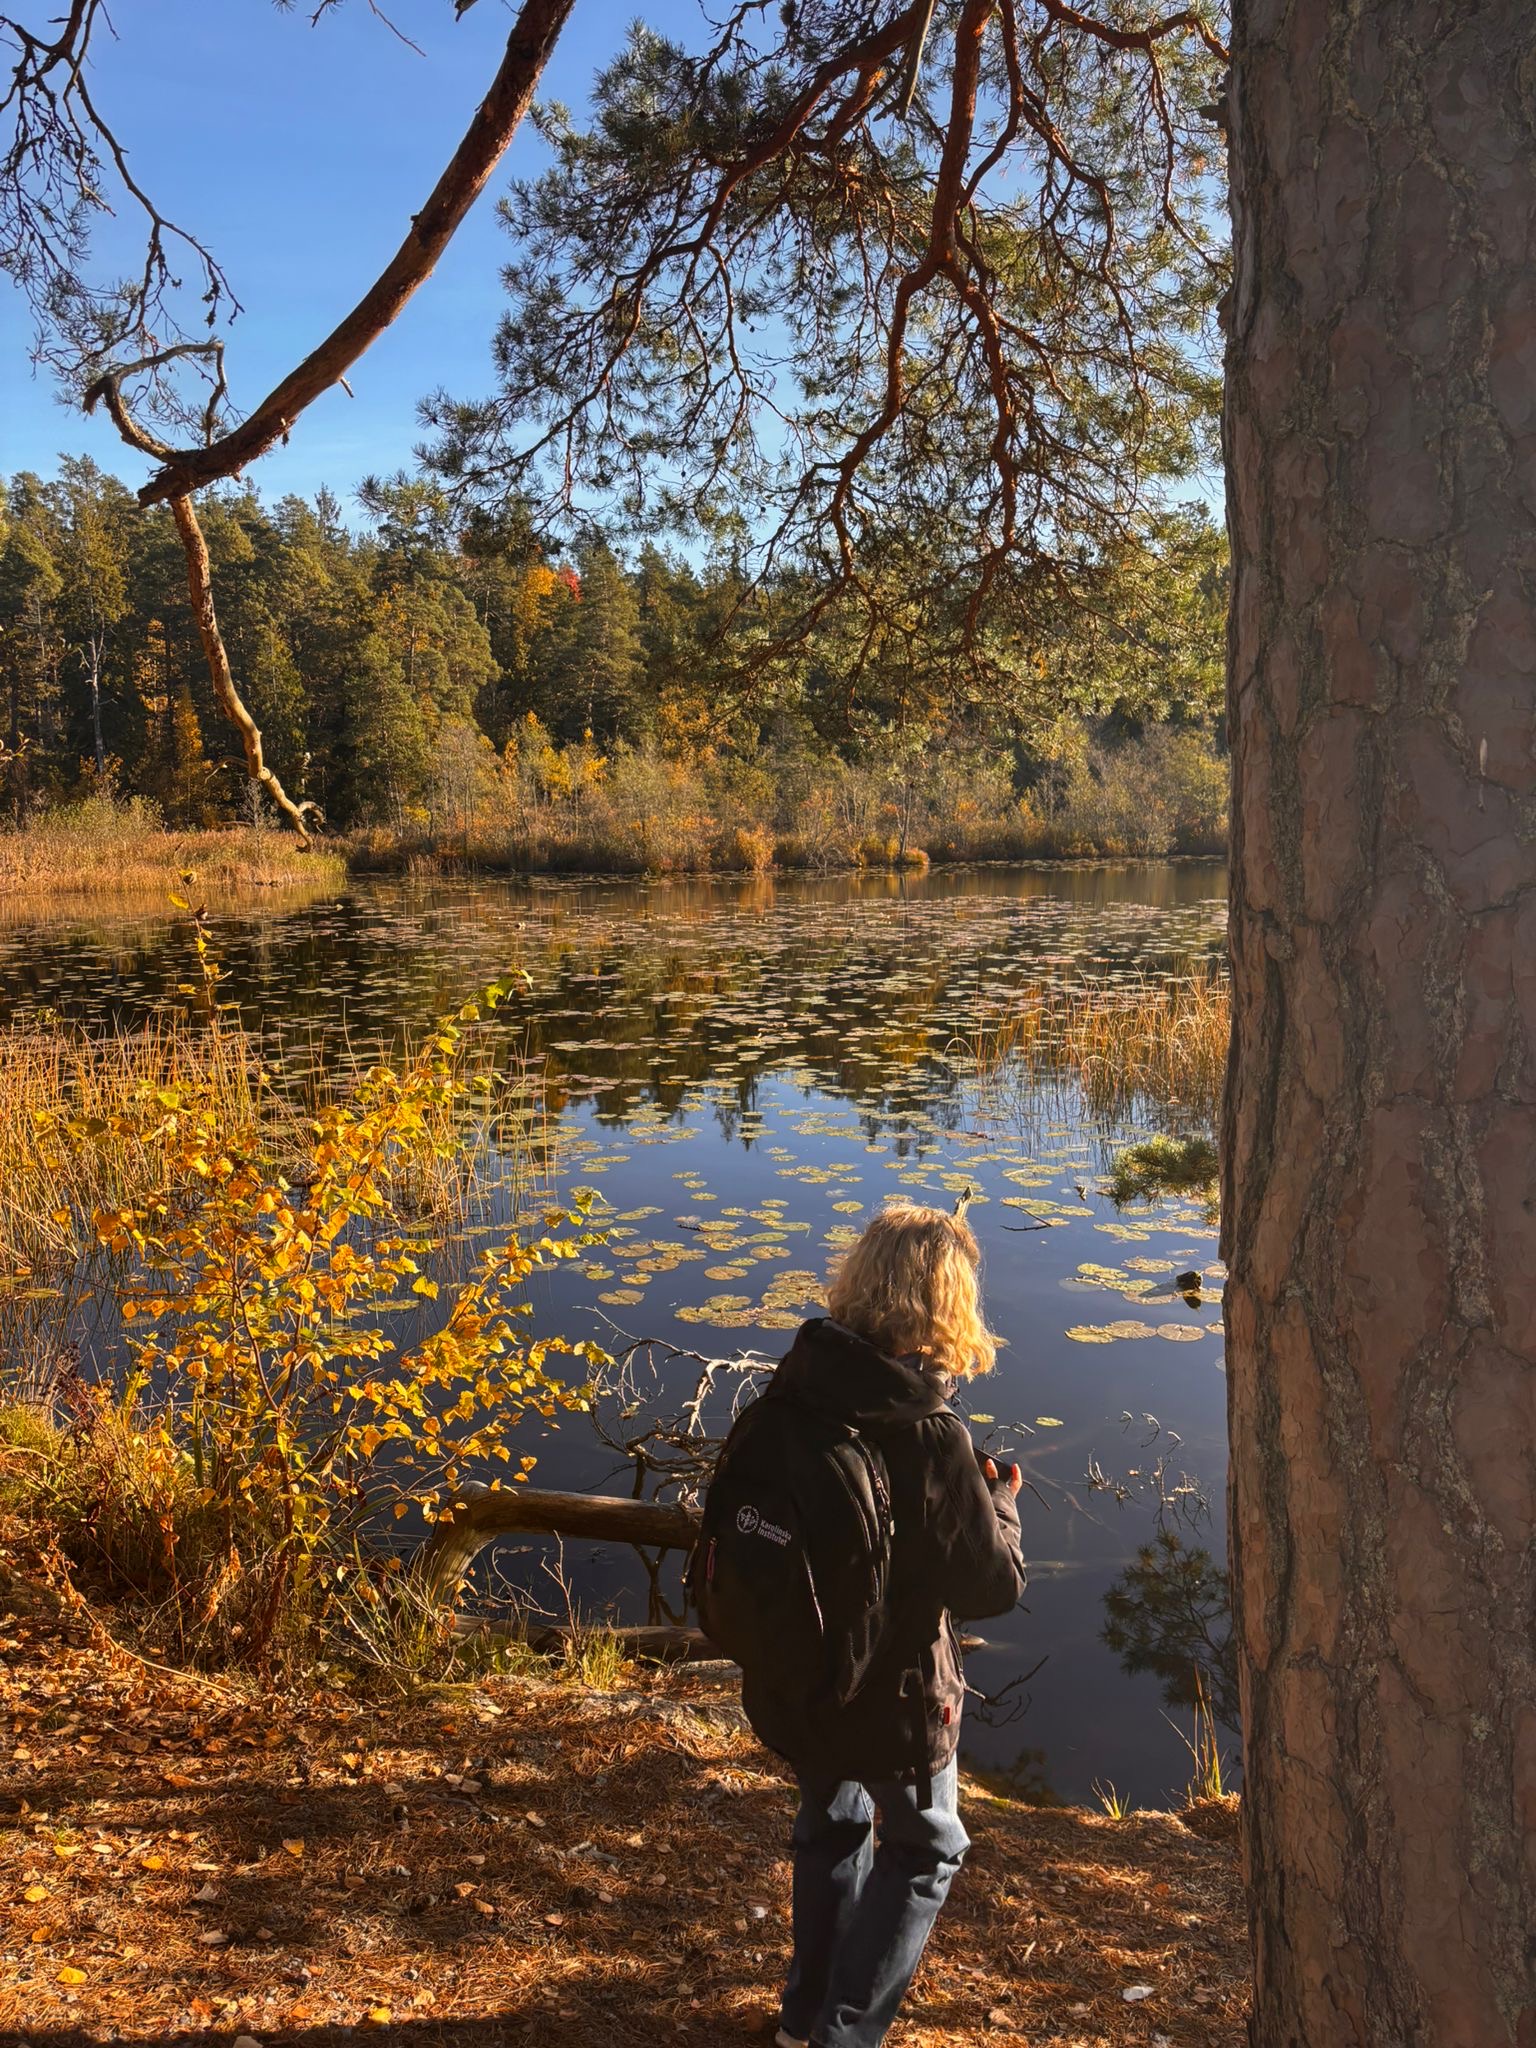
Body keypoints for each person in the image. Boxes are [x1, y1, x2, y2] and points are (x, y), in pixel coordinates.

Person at [695, 1199, 1026, 2048]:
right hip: (898, 1694)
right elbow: (991, 1585)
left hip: (799, 1673)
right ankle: (844, 2036)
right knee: (926, 1849)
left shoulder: (794, 1390)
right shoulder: (929, 1431)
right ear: (947, 1302)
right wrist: (1001, 1504)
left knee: (832, 1828)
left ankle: (804, 2019)